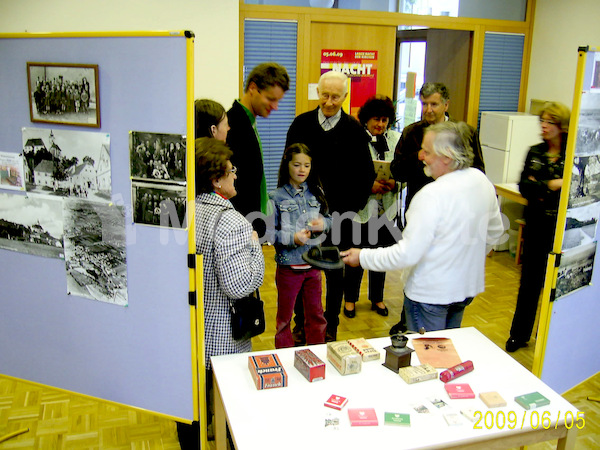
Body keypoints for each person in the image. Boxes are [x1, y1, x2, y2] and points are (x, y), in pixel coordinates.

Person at [341, 121, 504, 333]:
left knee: (428, 358)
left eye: (426, 152)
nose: (420, 156)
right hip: (464, 290)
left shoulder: (430, 196)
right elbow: (495, 232)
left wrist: (362, 257)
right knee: (447, 349)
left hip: (429, 296)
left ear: (446, 156)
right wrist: (463, 262)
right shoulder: (481, 181)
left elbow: (406, 255)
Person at [179, 137, 265, 448]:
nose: (236, 175)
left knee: (193, 408)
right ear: (216, 179)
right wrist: (256, 248)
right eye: (231, 170)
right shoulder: (232, 222)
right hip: (221, 337)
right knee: (228, 405)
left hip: (192, 331)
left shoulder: (185, 210)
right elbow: (239, 285)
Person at [388, 82, 486, 335]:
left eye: (434, 104)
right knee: (416, 266)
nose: (428, 110)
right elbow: (396, 170)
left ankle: (438, 319)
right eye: (424, 104)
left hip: (456, 215)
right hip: (420, 208)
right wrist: (423, 154)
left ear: (446, 104)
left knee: (446, 268)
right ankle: (409, 318)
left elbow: (479, 170)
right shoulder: (412, 132)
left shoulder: (464, 134)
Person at [286, 70, 375, 342]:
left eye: (336, 97)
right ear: (318, 93)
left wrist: (347, 211)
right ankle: (302, 324)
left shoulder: (354, 131)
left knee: (336, 275)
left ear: (345, 97)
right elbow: (287, 165)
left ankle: (330, 326)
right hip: (304, 215)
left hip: (340, 216)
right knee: (303, 270)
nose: (329, 102)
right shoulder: (301, 124)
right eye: (325, 95)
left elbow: (366, 176)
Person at [506, 102, 571, 353]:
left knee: (558, 285)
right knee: (530, 283)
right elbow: (525, 187)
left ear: (561, 126)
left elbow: (573, 190)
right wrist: (553, 184)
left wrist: (540, 185)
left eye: (549, 122)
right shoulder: (534, 152)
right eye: (541, 120)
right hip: (536, 225)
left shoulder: (572, 154)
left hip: (561, 230)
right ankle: (519, 335)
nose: (543, 126)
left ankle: (549, 336)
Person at [343, 95, 402, 318]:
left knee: (381, 256)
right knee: (356, 256)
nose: (380, 124)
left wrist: (395, 182)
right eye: (376, 119)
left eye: (385, 120)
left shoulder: (396, 140)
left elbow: (404, 171)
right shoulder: (355, 138)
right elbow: (347, 174)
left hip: (386, 209)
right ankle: (350, 299)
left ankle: (377, 298)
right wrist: (370, 185)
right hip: (361, 210)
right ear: (366, 119)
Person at [269, 143, 330, 348]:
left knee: (316, 315)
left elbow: (330, 219)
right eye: (297, 165)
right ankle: (284, 358)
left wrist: (324, 224)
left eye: (307, 165)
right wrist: (292, 238)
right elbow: (269, 233)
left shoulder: (316, 193)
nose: (302, 170)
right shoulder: (276, 197)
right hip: (288, 268)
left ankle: (316, 355)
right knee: (284, 319)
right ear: (287, 165)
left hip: (313, 266)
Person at [226, 62, 290, 234]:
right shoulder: (232, 126)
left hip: (252, 225)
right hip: (242, 227)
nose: (275, 107)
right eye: (271, 99)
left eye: (278, 101)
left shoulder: (249, 123)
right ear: (253, 88)